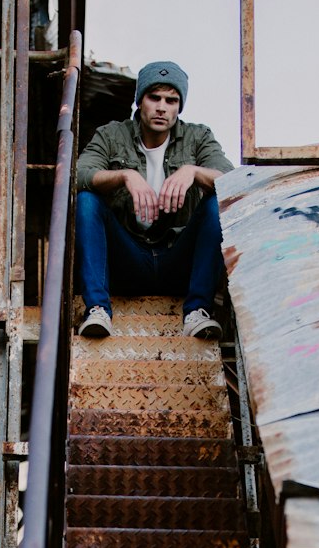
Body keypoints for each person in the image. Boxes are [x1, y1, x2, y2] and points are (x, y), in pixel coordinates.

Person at [74, 60, 234, 339]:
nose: (162, 107)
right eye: (154, 97)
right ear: (140, 101)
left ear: (179, 106)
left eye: (171, 100)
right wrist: (124, 175)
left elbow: (232, 183)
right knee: (87, 200)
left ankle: (198, 310)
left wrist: (193, 171)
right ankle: (98, 308)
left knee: (215, 203)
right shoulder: (112, 135)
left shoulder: (198, 137)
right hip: (129, 261)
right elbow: (77, 175)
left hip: (178, 262)